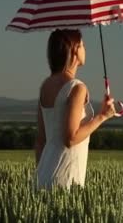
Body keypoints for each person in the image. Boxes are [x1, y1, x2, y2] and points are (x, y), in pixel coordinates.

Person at [35, 29, 116, 189]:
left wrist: (42, 173)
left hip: (43, 175)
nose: (85, 49)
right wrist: (102, 116)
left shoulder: (45, 86)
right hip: (65, 177)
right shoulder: (77, 88)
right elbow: (70, 139)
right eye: (82, 45)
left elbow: (40, 141)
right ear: (73, 50)